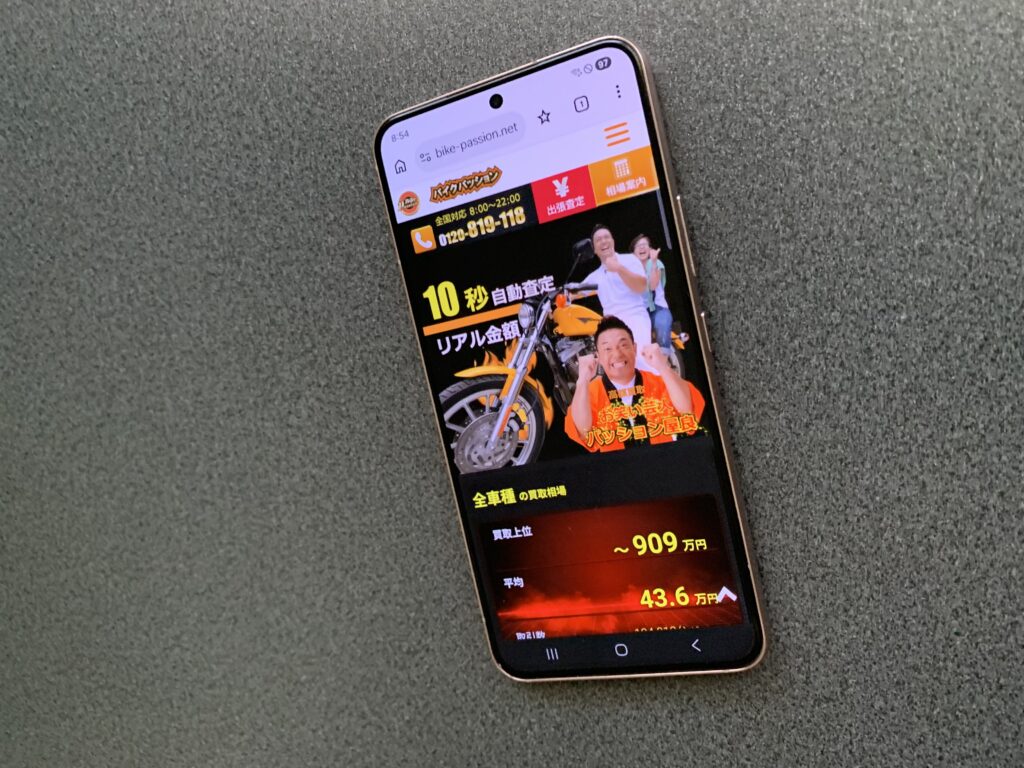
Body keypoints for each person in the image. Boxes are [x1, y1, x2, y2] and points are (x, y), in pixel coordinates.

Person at [564, 316, 705, 453]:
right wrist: (582, 380)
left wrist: (663, 366)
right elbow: (583, 432)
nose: (617, 354)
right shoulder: (590, 394)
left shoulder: (659, 383)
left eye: (623, 345)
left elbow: (688, 413)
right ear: (598, 357)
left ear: (635, 348)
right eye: (607, 349)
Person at [583, 224, 655, 371]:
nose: (603, 241)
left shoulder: (629, 260)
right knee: (618, 368)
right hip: (612, 326)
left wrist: (619, 269)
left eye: (606, 237)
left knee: (639, 360)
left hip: (635, 318)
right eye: (598, 240)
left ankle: (661, 384)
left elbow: (641, 286)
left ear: (613, 241)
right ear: (594, 249)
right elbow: (576, 290)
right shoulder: (595, 276)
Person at [630, 233, 675, 359]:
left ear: (650, 249)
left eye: (645, 245)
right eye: (638, 246)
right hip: (641, 312)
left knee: (662, 322)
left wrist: (654, 262)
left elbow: (653, 285)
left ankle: (664, 361)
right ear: (633, 253)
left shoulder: (656, 263)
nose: (642, 248)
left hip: (658, 308)